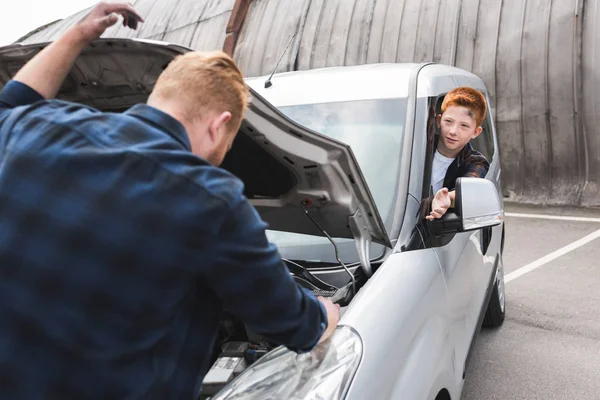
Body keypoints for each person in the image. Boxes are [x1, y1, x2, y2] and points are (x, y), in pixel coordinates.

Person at [0, 2, 339, 398]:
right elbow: (291, 323)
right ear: (221, 125)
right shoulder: (212, 199)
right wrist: (325, 315)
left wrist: (78, 34)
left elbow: (14, 101)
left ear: (158, 96)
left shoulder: (31, 129)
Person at [426, 86, 490, 220]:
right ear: (439, 121)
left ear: (475, 132)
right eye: (448, 121)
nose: (453, 131)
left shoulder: (476, 161)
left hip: (440, 233)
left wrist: (448, 198)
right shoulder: (421, 146)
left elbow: (468, 189)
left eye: (464, 126)